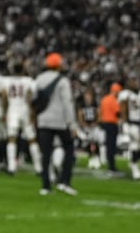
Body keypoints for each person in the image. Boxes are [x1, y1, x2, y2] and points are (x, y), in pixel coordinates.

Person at [33, 52, 78, 196]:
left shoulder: (39, 79)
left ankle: (46, 186)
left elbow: (34, 100)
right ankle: (64, 181)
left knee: (45, 154)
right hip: (60, 121)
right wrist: (72, 124)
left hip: (43, 120)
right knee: (69, 148)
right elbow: (67, 103)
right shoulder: (63, 81)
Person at [99, 81, 123, 173]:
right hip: (112, 124)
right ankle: (112, 166)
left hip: (105, 123)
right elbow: (118, 113)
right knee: (112, 146)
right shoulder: (114, 100)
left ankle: (110, 163)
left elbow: (101, 111)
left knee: (108, 145)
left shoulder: (104, 99)